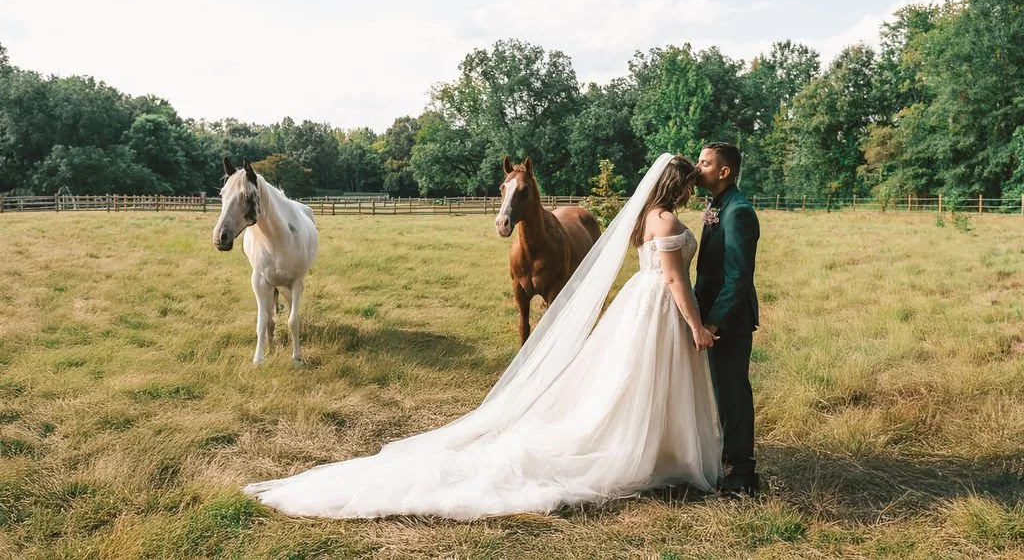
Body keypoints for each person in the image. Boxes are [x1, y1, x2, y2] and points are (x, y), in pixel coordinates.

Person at [243, 153, 723, 520]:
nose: (693, 188)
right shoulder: (665, 220)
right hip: (659, 303)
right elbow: (676, 280)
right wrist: (697, 325)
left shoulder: (648, 218)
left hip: (644, 303)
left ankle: (658, 441)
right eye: (689, 182)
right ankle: (651, 446)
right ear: (675, 187)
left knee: (634, 378)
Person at [694, 142, 761, 497]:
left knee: (733, 391)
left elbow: (738, 276)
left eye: (704, 162)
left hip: (729, 321)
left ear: (724, 172)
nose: (697, 166)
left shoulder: (739, 212)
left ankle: (743, 471)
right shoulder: (717, 205)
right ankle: (722, 455)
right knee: (717, 390)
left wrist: (713, 324)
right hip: (708, 316)